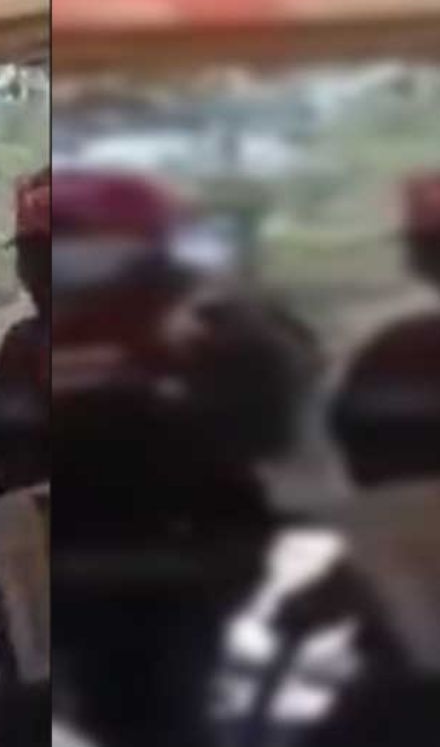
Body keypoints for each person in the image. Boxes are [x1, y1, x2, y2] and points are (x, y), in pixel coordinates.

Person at [48, 170, 317, 747]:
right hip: (80, 573)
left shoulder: (211, 318)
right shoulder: (70, 321)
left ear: (139, 238)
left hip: (177, 573)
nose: (63, 248)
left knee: (163, 717)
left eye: (77, 231)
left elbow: (267, 431)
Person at [274, 172, 440, 747]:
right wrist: (343, 582)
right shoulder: (393, 357)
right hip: (406, 634)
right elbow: (390, 515)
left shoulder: (394, 356)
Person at [0, 167, 51, 747]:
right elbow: (14, 497)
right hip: (30, 606)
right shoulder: (22, 349)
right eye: (27, 251)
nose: (31, 269)